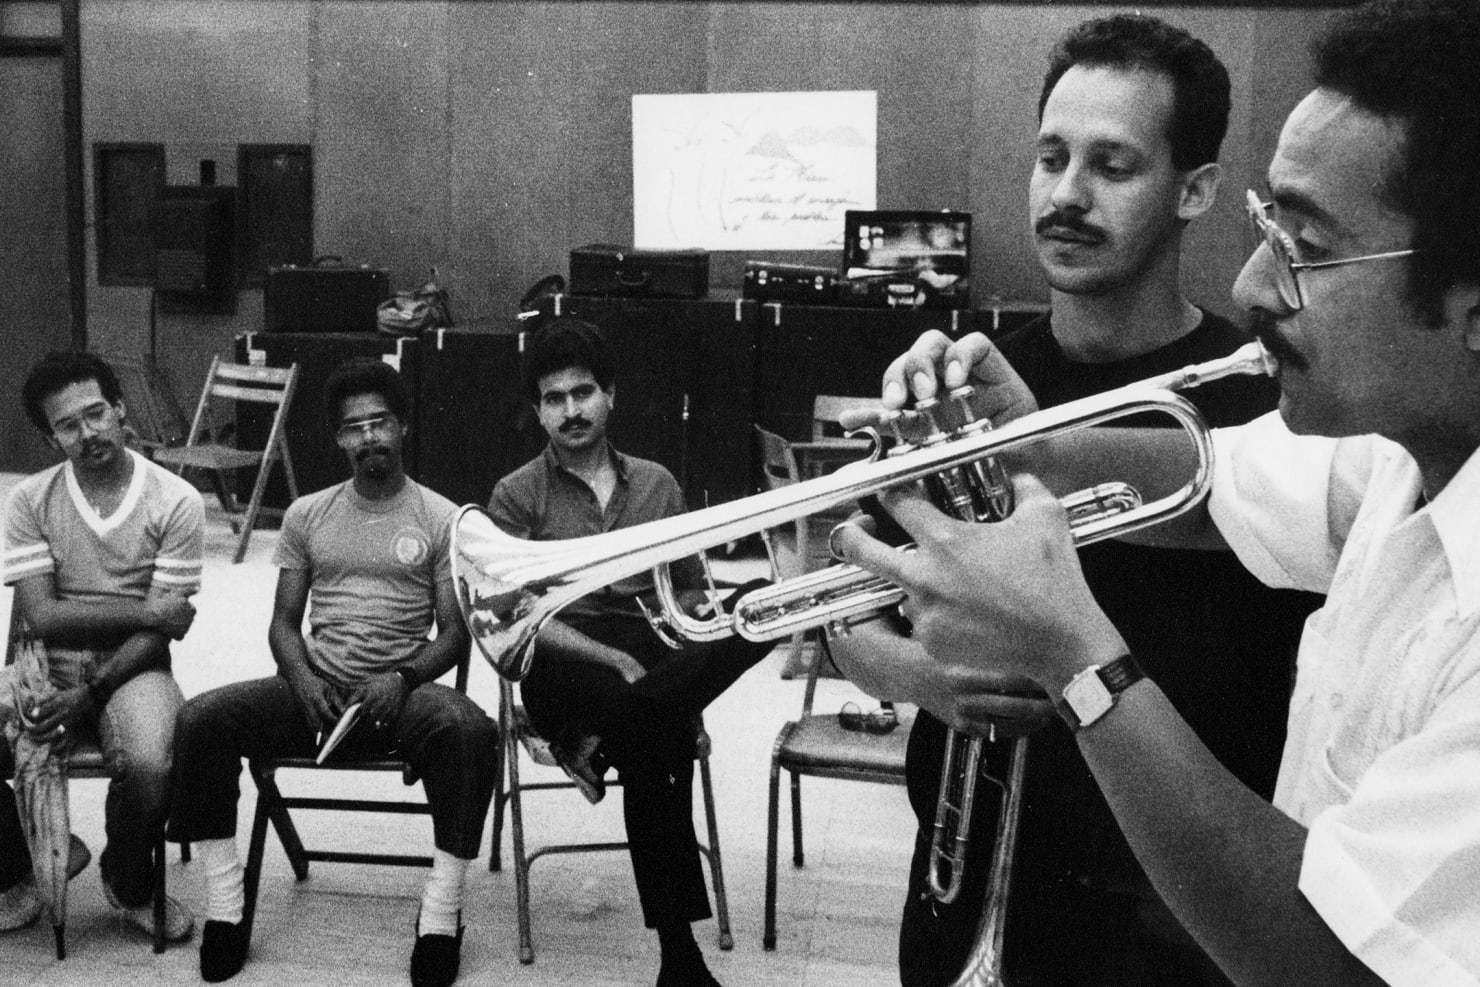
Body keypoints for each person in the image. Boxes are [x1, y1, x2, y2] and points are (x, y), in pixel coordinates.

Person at [832, 1, 1480, 983]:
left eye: (1307, 244)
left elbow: (1327, 960)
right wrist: (1024, 447)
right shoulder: (1394, 456)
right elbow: (1212, 479)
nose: (1257, 286)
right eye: (1271, 226)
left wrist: (1073, 656)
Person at [168, 358, 498, 987]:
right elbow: (283, 625)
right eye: (354, 427)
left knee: (470, 732)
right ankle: (225, 906)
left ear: (402, 427)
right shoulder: (307, 515)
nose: (369, 436)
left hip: (401, 695)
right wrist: (301, 678)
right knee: (202, 720)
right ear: (339, 439)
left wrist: (402, 678)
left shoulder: (440, 517)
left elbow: (456, 635)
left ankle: (441, 912)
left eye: (380, 422)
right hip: (316, 696)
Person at [486, 317, 771, 987]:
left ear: (610, 395)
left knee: (760, 603)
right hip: (562, 661)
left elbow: (692, 592)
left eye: (582, 392)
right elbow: (513, 615)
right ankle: (680, 958)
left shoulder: (658, 485)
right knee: (658, 735)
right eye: (553, 399)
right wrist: (614, 660)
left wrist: (694, 638)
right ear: (538, 411)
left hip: (650, 654)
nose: (570, 410)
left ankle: (589, 741)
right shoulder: (516, 493)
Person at [0, 350, 203, 943]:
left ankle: (127, 876)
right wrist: (145, 608)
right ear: (49, 436)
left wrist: (92, 690)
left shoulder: (175, 500)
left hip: (134, 662)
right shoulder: (31, 499)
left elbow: (160, 634)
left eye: (96, 414)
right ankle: (24, 866)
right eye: (68, 425)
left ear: (119, 410)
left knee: (151, 760)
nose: (87, 433)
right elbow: (39, 614)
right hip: (47, 658)